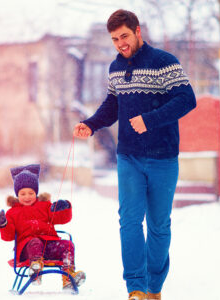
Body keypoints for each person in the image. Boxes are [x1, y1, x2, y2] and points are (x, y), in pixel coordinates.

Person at [73, 9, 196, 300]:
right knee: (129, 221)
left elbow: (186, 99)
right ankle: (136, 288)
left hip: (163, 157)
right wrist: (90, 125)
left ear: (138, 31)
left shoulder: (164, 62)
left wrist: (150, 119)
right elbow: (112, 105)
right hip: (129, 156)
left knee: (158, 224)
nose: (120, 44)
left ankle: (155, 287)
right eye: (115, 39)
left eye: (124, 36)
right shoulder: (115, 67)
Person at [0, 164, 85, 291]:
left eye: (31, 193)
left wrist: (64, 207)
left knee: (67, 245)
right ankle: (35, 269)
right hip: (27, 251)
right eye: (23, 193)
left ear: (36, 193)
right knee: (35, 242)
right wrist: (2, 223)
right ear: (17, 195)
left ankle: (69, 277)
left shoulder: (45, 206)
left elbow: (63, 218)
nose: (27, 197)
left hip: (49, 246)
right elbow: (8, 236)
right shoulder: (13, 213)